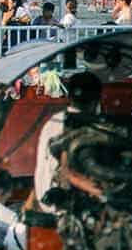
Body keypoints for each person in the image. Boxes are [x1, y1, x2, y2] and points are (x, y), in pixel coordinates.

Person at [34, 71, 102, 213]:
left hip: (44, 198)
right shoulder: (87, 126)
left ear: (69, 97)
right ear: (96, 100)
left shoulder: (53, 121)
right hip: (63, 207)